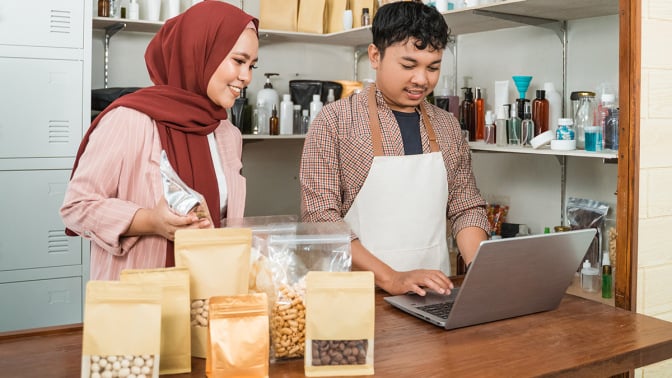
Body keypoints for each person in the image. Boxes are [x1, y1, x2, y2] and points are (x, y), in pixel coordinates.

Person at [299, 1, 489, 296]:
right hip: (354, 297)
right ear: (375, 55)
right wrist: (391, 279)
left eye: (433, 67)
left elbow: (466, 207)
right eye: (408, 65)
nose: (421, 80)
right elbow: (320, 219)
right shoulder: (335, 121)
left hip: (432, 296)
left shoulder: (447, 125)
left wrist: (481, 267)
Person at [60, 1, 259, 280]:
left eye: (252, 66)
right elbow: (76, 207)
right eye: (238, 61)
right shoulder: (129, 120)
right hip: (141, 304)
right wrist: (150, 220)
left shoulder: (228, 134)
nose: (246, 77)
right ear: (200, 52)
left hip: (207, 294)